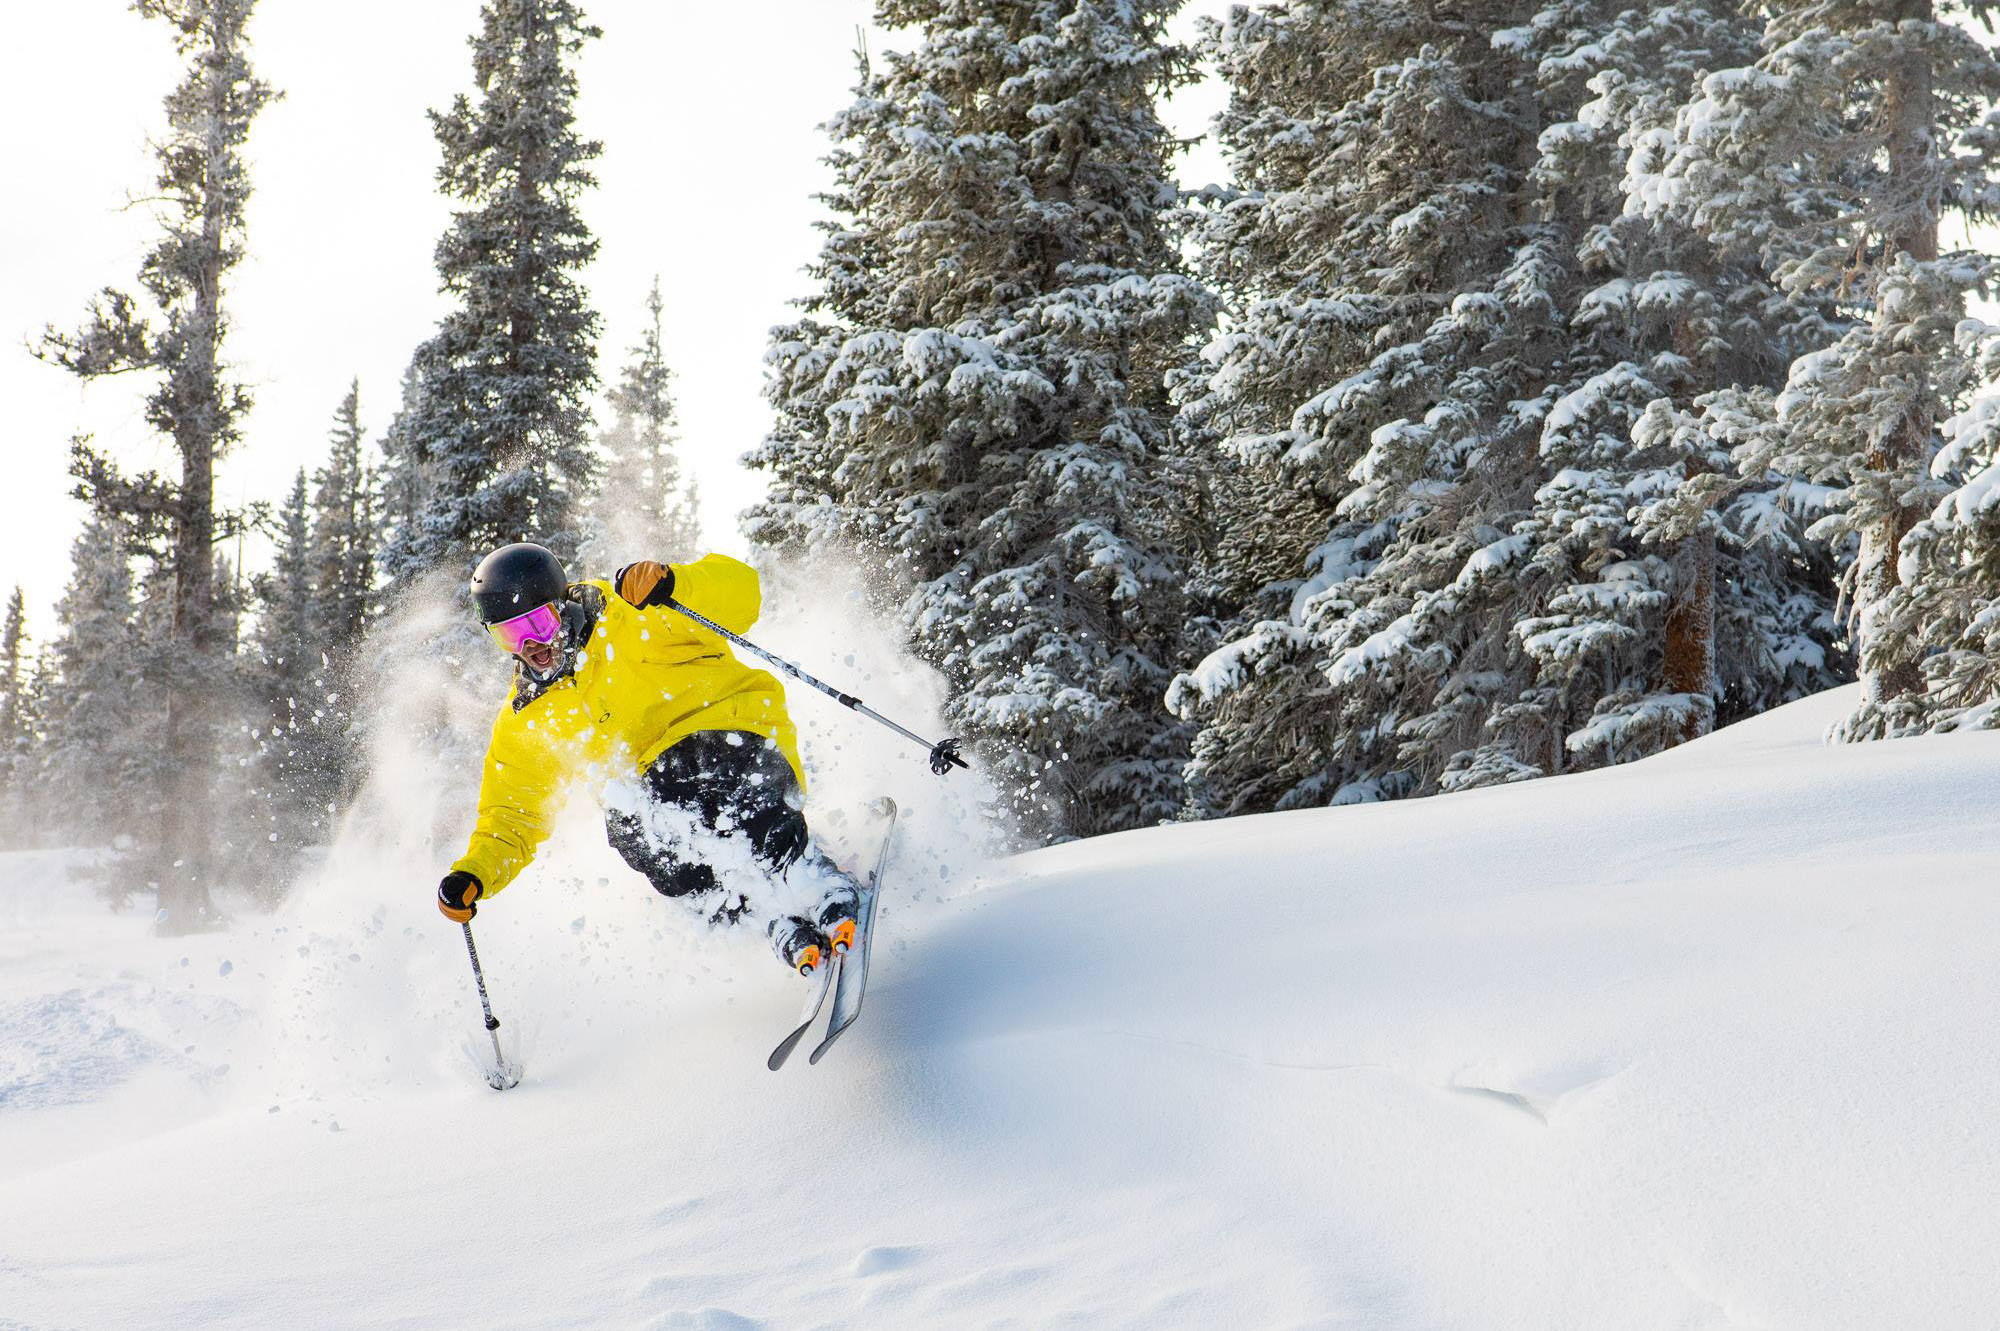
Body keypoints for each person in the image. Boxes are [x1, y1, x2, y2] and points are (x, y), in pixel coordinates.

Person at [434, 541, 858, 976]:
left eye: (538, 624)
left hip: (739, 745)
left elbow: (744, 595)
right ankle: (754, 909)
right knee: (629, 823)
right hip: (661, 794)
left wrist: (677, 584)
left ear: (560, 605)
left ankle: (804, 871)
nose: (532, 646)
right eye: (511, 634)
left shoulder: (632, 610)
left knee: (687, 770)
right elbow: (512, 816)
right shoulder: (529, 716)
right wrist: (475, 874)